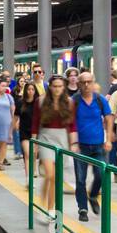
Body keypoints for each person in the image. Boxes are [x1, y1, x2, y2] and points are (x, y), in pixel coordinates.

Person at [71, 71, 113, 222]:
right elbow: (70, 123)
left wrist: (108, 139)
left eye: (89, 82)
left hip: (98, 145)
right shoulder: (74, 101)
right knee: (81, 179)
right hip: (81, 146)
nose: (87, 85)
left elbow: (108, 118)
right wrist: (73, 142)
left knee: (101, 174)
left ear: (93, 83)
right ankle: (82, 209)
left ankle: (93, 195)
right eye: (84, 82)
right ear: (78, 84)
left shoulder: (100, 100)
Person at [37, 74, 78, 214]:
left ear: (64, 87)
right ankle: (44, 202)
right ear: (50, 87)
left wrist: (73, 143)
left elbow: (72, 125)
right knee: (50, 174)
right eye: (54, 86)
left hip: (62, 139)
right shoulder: (41, 101)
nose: (57, 89)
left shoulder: (69, 102)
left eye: (60, 86)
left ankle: (50, 208)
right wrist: (34, 143)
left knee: (56, 178)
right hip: (45, 138)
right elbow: (35, 123)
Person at [16, 82, 40, 178]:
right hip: (24, 131)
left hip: (36, 131)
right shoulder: (20, 102)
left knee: (34, 153)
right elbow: (15, 117)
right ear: (25, 90)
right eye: (29, 89)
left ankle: (34, 168)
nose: (30, 91)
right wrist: (13, 128)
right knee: (27, 153)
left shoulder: (38, 103)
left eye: (32, 89)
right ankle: (28, 178)